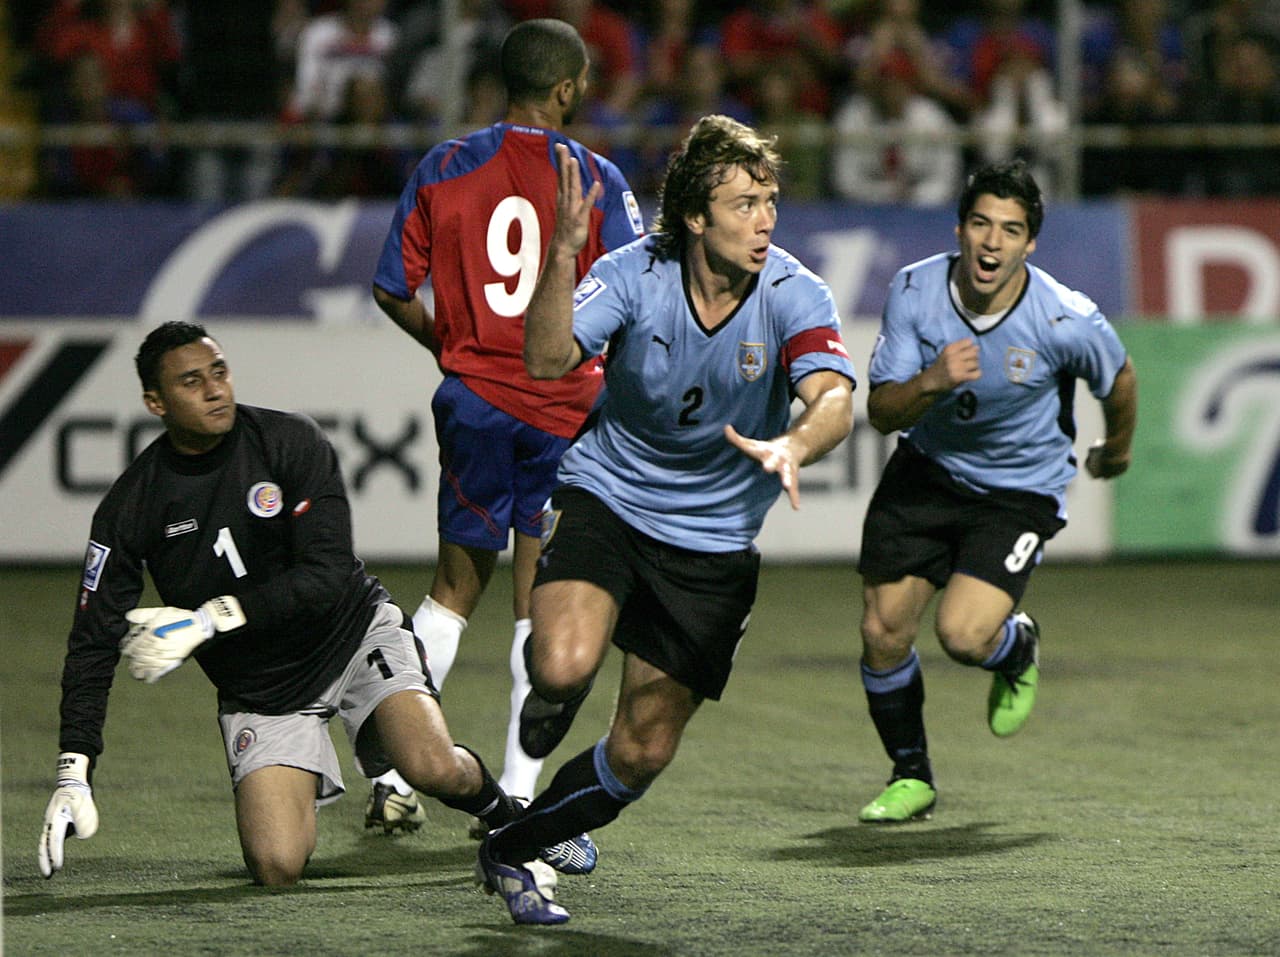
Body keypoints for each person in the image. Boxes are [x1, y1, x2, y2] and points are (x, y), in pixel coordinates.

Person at [37, 321, 594, 888]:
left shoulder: (287, 441)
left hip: (351, 636)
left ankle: (517, 822)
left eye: (219, 371)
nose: (214, 389)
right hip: (263, 690)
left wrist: (211, 618)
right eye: (191, 382)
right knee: (276, 865)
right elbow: (93, 638)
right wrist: (74, 770)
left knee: (430, 765)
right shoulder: (132, 504)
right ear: (155, 402)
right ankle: (348, 756)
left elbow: (325, 574)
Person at [474, 114, 857, 924]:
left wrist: (796, 441)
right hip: (608, 498)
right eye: (745, 204)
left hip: (713, 543)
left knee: (642, 750)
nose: (765, 220)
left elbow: (834, 398)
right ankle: (551, 694)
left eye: (770, 201)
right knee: (563, 665)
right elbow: (545, 359)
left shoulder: (794, 291)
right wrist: (559, 256)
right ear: (695, 217)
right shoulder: (631, 273)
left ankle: (512, 844)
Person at [370, 17, 644, 833]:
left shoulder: (444, 165)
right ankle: (518, 797)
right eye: (583, 79)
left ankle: (395, 773)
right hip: (565, 412)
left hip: (475, 403)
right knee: (538, 602)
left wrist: (451, 347)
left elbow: (391, 287)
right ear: (565, 88)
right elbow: (635, 298)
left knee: (452, 591)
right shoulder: (597, 178)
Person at [854, 160, 1138, 824]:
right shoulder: (914, 288)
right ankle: (911, 775)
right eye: (981, 224)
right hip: (927, 470)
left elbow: (1120, 377)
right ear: (959, 229)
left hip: (1018, 491)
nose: (992, 242)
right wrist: (930, 382)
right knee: (882, 630)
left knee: (962, 635)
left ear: (1029, 243)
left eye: (1010, 230)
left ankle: (1017, 646)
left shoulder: (1064, 318)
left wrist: (1117, 449)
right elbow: (883, 413)